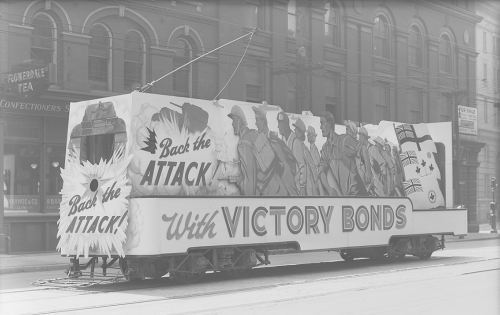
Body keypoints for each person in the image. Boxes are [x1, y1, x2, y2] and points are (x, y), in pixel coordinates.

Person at [228, 105, 291, 196]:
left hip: (269, 192)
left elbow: (250, 181)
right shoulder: (254, 133)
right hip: (278, 186)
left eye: (234, 120)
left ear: (239, 121)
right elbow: (259, 166)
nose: (232, 124)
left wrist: (246, 202)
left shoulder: (244, 145)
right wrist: (242, 177)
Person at [318, 112, 368, 196]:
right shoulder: (325, 149)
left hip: (358, 193)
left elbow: (363, 148)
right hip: (346, 197)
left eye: (322, 123)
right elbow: (321, 172)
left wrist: (368, 172)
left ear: (329, 124)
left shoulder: (344, 140)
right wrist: (329, 190)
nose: (320, 127)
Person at [277, 111, 304, 194]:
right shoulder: (282, 140)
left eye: (280, 124)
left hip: (295, 187)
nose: (278, 126)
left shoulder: (295, 142)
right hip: (285, 186)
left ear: (285, 124)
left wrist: (302, 186)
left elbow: (301, 166)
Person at [293, 118, 319, 196]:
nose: (294, 130)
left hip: (306, 182)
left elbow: (312, 165)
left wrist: (303, 186)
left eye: (296, 129)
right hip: (305, 181)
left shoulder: (303, 147)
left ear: (300, 132)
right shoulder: (302, 146)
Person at [358, 126, 385, 196]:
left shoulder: (372, 149)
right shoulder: (361, 150)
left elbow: (382, 164)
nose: (359, 138)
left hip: (375, 183)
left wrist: (380, 178)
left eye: (360, 136)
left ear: (364, 137)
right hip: (366, 183)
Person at [307, 126, 324, 195]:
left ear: (311, 136)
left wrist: (316, 180)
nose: (307, 136)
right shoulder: (311, 147)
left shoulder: (314, 149)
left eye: (308, 134)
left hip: (316, 177)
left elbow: (317, 164)